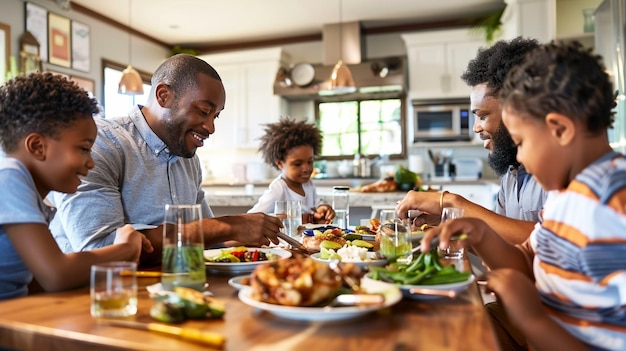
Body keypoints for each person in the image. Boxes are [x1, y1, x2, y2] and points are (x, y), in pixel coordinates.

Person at [421, 41, 626, 351]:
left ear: (560, 129)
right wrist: (481, 234)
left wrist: (531, 318)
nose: (522, 160)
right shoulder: (565, 193)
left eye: (522, 142)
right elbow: (528, 258)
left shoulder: (612, 208)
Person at [48, 54, 282, 267]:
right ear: (163, 95)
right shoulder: (102, 144)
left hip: (173, 287)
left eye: (215, 116)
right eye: (203, 111)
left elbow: (209, 240)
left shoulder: (188, 159)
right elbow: (100, 249)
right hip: (98, 296)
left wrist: (251, 239)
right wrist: (229, 226)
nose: (211, 127)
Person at [0, 72, 153, 300]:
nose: (91, 162)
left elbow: (36, 282)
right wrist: (126, 248)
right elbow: (56, 275)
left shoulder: (27, 193)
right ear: (38, 146)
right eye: (83, 149)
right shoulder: (8, 178)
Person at [397, 37, 548, 245]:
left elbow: (550, 244)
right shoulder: (511, 174)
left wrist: (452, 203)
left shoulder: (558, 173)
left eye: (482, 115)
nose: (476, 127)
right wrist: (450, 224)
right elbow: (504, 247)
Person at [248, 117, 334, 224]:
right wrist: (283, 218)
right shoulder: (279, 188)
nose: (306, 168)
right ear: (280, 163)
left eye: (310, 161)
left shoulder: (308, 184)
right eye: (297, 164)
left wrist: (323, 208)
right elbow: (252, 217)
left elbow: (316, 204)